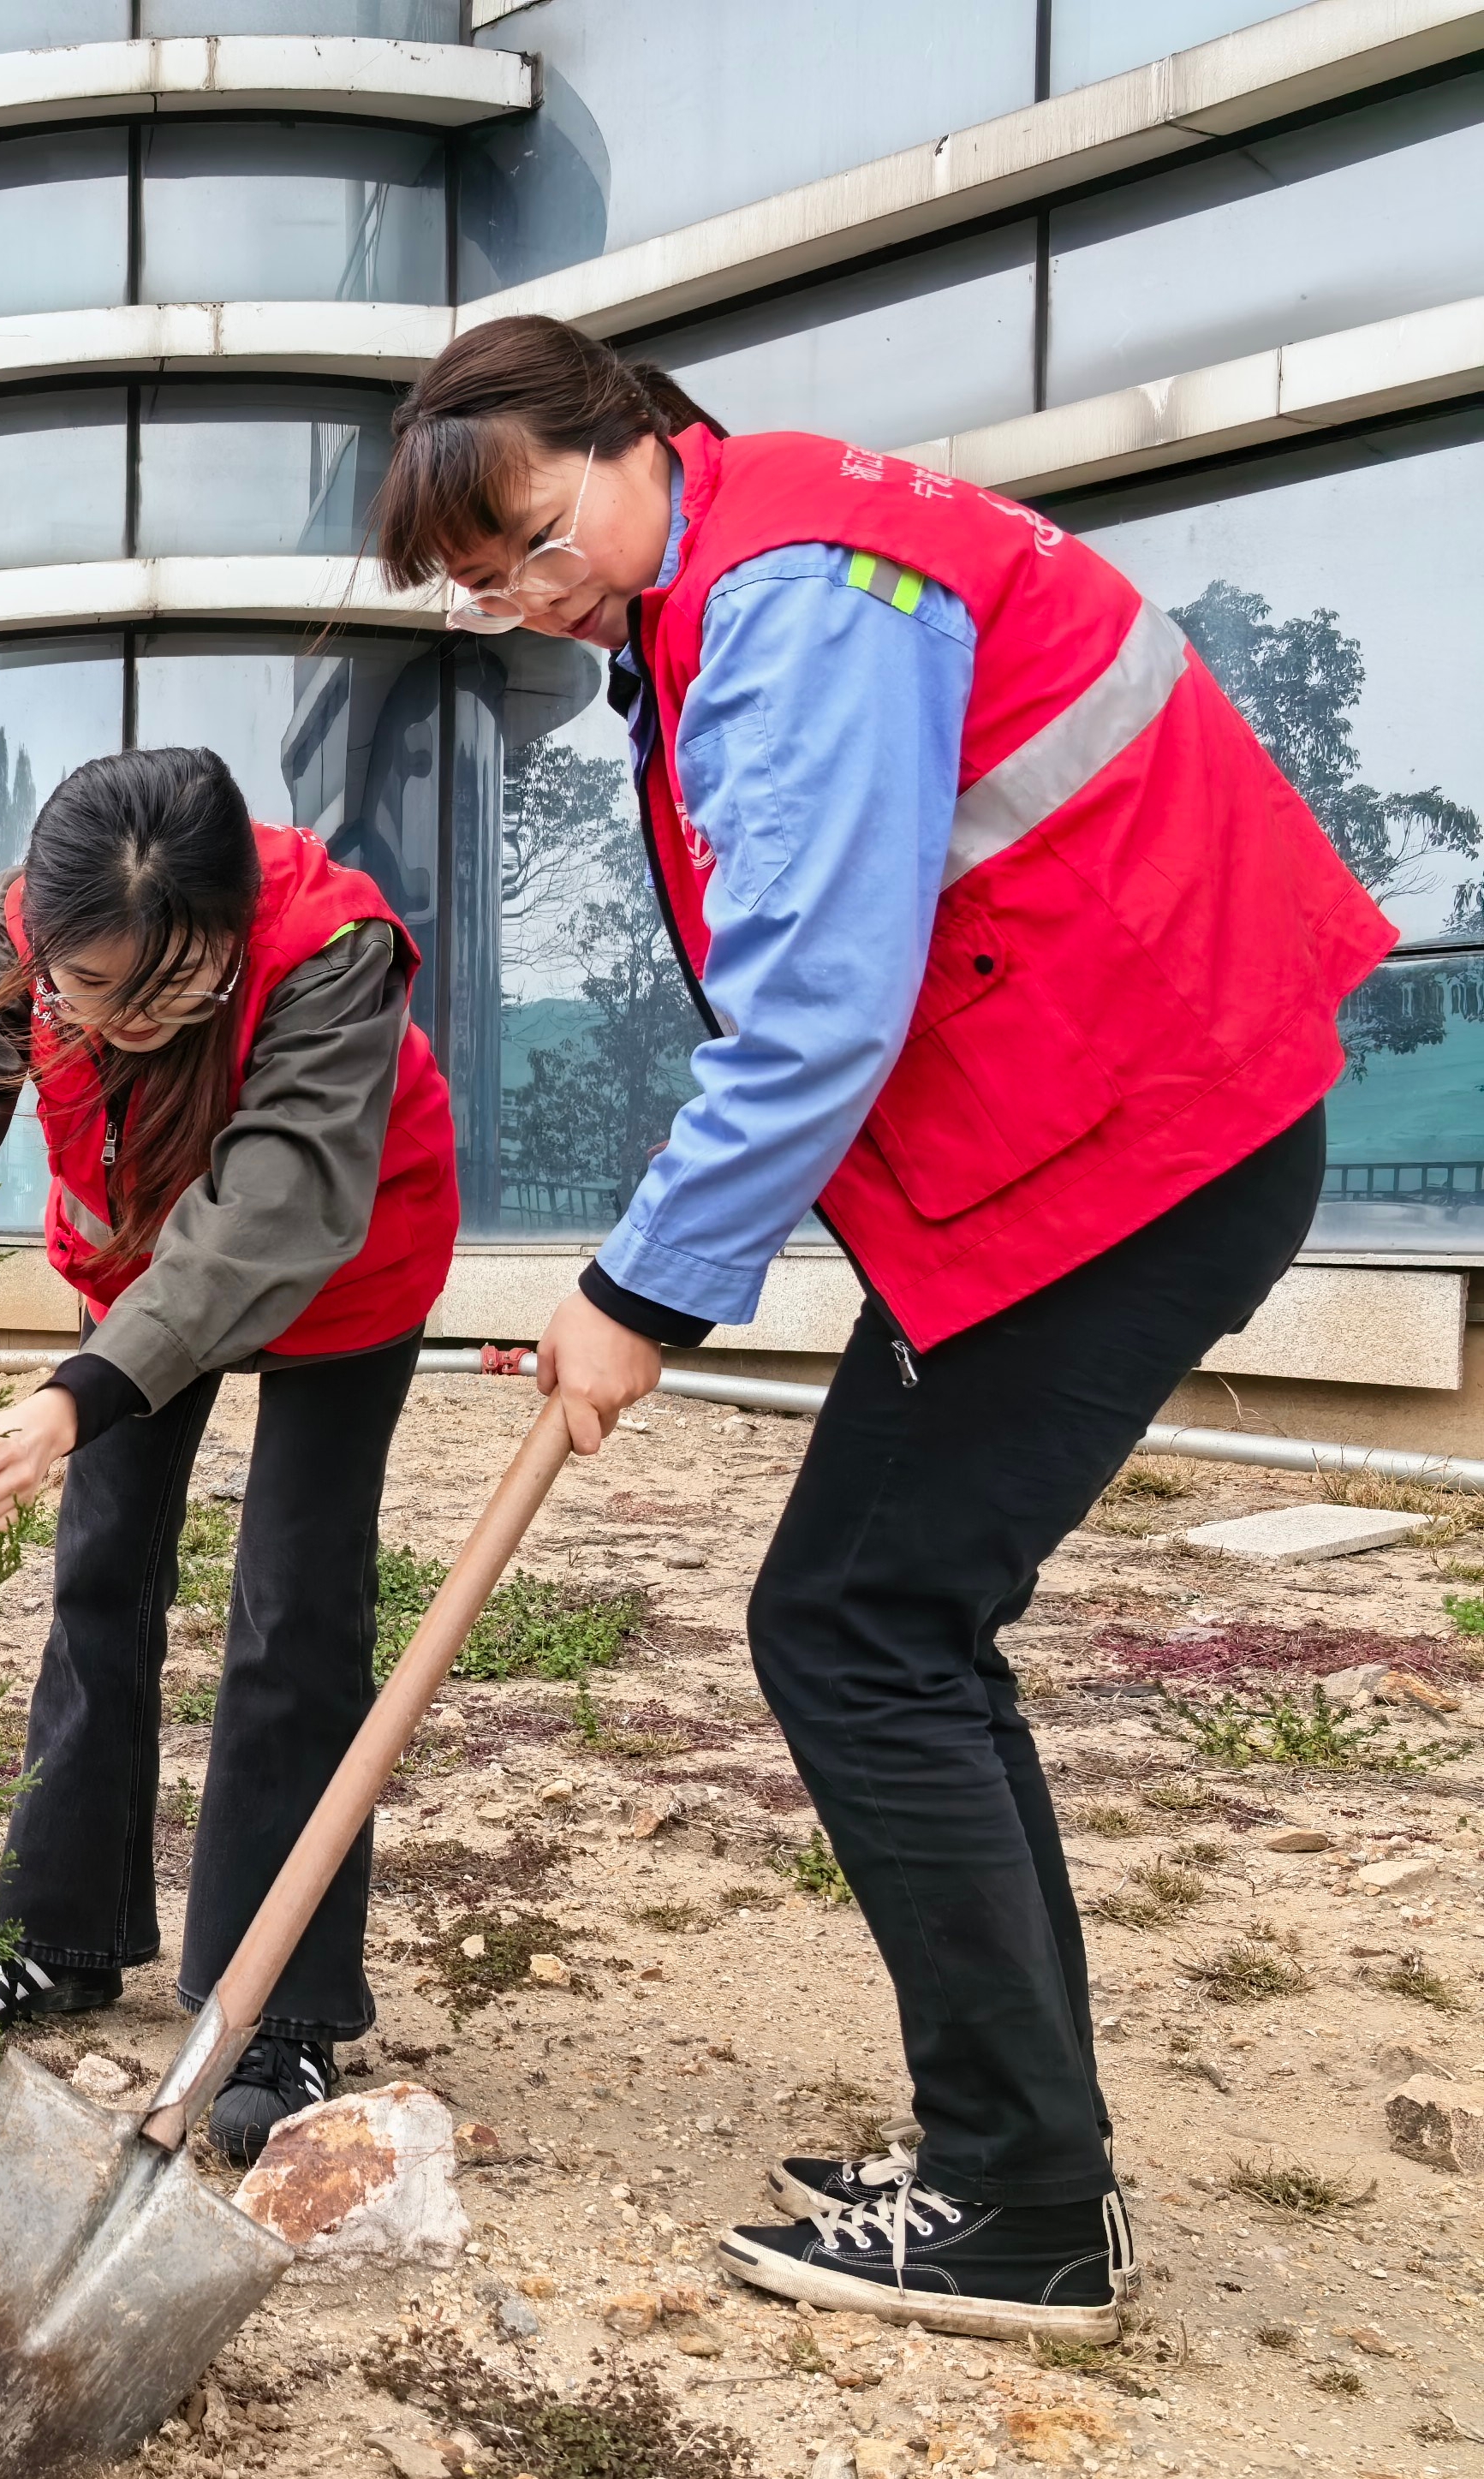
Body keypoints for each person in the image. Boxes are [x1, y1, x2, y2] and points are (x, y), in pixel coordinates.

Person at [371, 318, 1395, 2339]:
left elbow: (820, 1007)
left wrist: (637, 1289)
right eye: (477, 583)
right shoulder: (743, 568)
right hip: (1108, 1139)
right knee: (886, 1616)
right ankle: (1018, 2155)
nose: (515, 591)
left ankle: (1020, 2196)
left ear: (636, 436)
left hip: (1136, 1152)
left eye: (529, 534)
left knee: (858, 1621)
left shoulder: (796, 599)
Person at [0, 747, 461, 2165]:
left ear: (231, 932)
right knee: (99, 1574)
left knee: (295, 1611)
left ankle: (271, 2004)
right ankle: (65, 1930)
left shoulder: (332, 953)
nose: (123, 1023)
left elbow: (270, 1206)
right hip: (130, 1256)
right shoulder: (21, 933)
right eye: (88, 993)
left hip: (337, 1261)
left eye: (170, 990)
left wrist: (75, 1394)